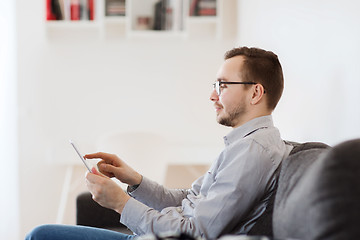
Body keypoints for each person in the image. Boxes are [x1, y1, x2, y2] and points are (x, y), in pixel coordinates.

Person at [25, 46, 293, 240]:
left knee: (40, 235)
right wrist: (136, 181)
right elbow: (190, 199)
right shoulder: (244, 145)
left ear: (256, 92)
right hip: (160, 232)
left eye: (222, 85)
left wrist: (121, 203)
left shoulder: (253, 152)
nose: (212, 95)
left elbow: (196, 234)